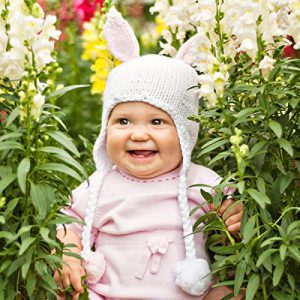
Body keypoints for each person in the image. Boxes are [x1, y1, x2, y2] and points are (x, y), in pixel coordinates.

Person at [54, 8, 244, 300]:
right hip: (107, 295)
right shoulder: (99, 185)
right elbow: (68, 219)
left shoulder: (201, 182)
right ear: (106, 128)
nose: (138, 134)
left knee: (234, 290)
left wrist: (236, 216)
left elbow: (235, 212)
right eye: (123, 121)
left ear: (184, 131)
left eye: (157, 122)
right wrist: (67, 249)